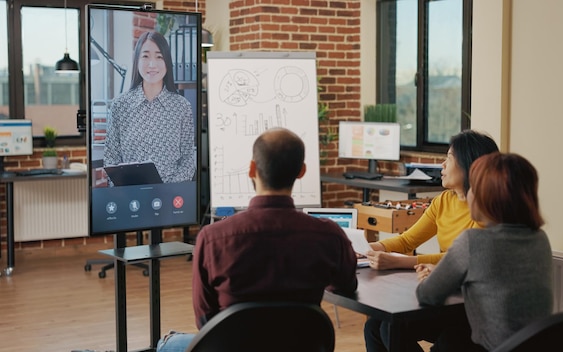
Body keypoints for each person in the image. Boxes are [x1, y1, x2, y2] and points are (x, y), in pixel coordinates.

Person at [156, 127, 358, 352]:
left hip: (232, 347)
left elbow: (205, 321)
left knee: (167, 344)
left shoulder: (212, 238)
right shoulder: (329, 235)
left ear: (252, 169)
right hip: (298, 346)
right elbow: (347, 285)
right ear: (301, 171)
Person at [364, 129, 499, 352]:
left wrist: (401, 262)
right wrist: (368, 248)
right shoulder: (443, 200)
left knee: (394, 329)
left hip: (470, 309)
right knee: (376, 326)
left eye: (448, 157)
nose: (442, 165)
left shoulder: (486, 208)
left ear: (470, 164)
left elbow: (459, 257)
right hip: (447, 295)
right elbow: (407, 240)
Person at [415, 152, 553, 351]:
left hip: (490, 347)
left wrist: (428, 278)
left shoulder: (474, 241)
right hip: (529, 346)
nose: (469, 194)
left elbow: (427, 296)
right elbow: (496, 283)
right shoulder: (539, 238)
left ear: (487, 196)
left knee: (385, 328)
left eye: (473, 188)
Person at [104, 31, 196, 185]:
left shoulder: (182, 107)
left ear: (167, 61)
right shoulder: (119, 106)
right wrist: (123, 192)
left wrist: (168, 190)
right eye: (145, 56)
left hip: (171, 199)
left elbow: (188, 159)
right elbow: (111, 158)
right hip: (130, 198)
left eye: (159, 57)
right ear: (137, 61)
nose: (152, 64)